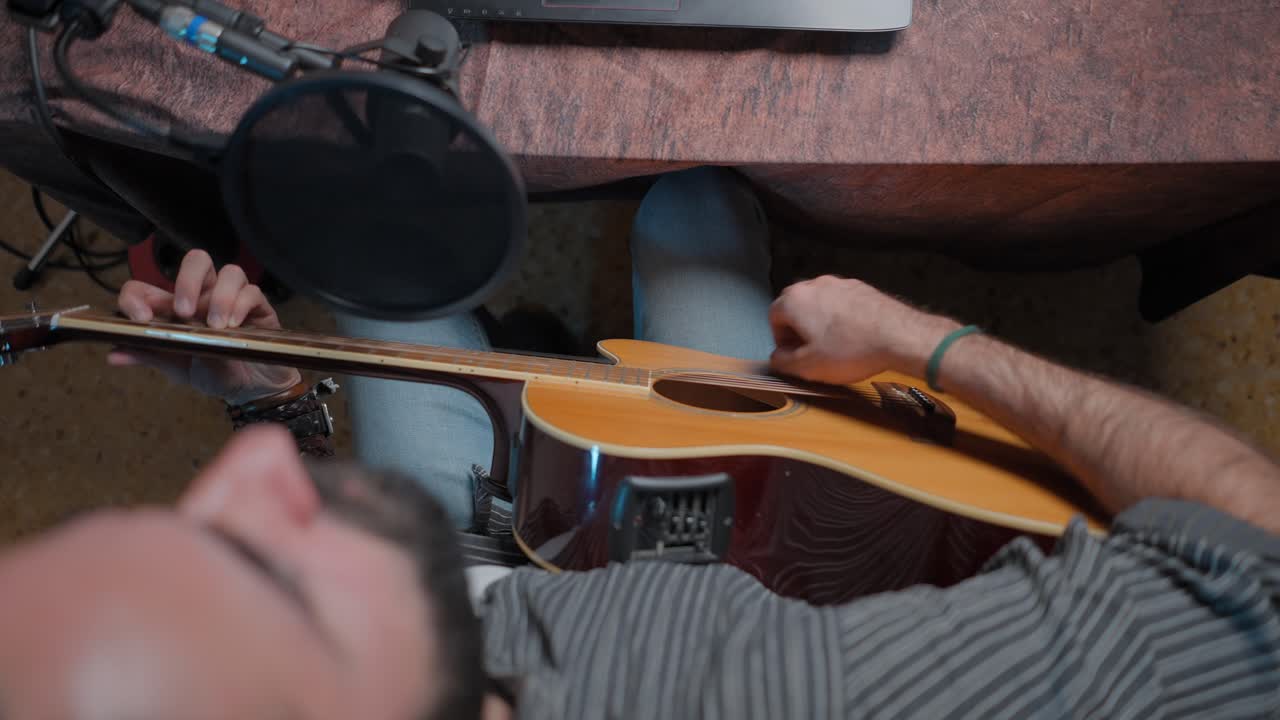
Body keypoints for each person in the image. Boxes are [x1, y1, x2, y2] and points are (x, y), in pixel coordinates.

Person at [2, 168, 1278, 719]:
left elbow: (344, 585)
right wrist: (919, 340)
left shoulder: (380, 656)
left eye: (191, 514)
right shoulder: (815, 699)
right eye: (259, 568)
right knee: (696, 217)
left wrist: (271, 391)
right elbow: (1255, 561)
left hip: (463, 577)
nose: (257, 470)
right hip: (752, 582)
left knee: (383, 269)